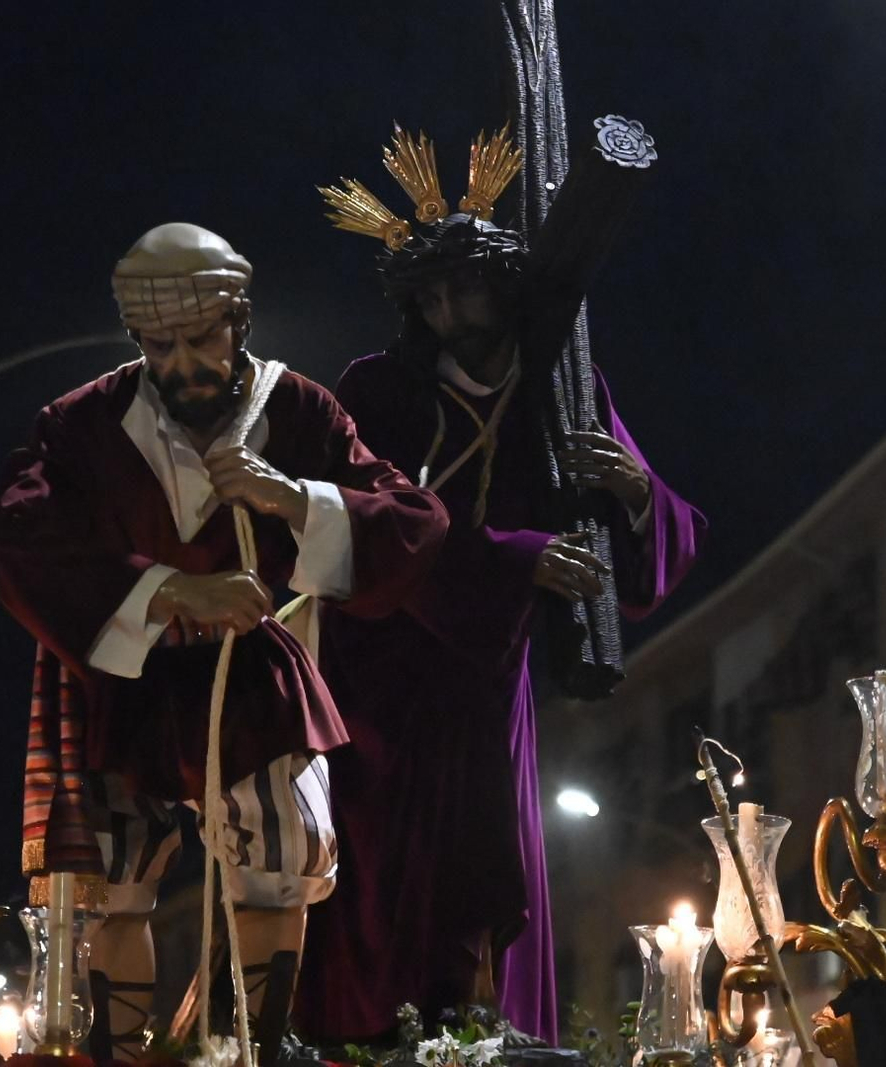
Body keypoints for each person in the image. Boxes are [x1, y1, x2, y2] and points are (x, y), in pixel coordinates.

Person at [0, 222, 448, 1061]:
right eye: (158, 344)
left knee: (277, 863)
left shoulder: (299, 410)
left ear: (239, 320)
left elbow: (414, 523)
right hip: (125, 677)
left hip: (249, 673)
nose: (182, 365)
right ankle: (124, 1057)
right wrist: (173, 589)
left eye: (201, 339)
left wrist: (292, 498)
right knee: (111, 886)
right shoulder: (81, 422)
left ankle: (251, 1052)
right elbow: (23, 537)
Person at [297, 127, 707, 1043]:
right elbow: (359, 528)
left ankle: (480, 1032)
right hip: (382, 673)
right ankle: (381, 1040)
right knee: (383, 874)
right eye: (431, 295)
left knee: (485, 859)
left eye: (466, 286)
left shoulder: (561, 386)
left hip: (489, 680)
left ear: (505, 284)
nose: (449, 310)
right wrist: (515, 557)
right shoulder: (377, 391)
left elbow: (649, 544)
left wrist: (635, 492)